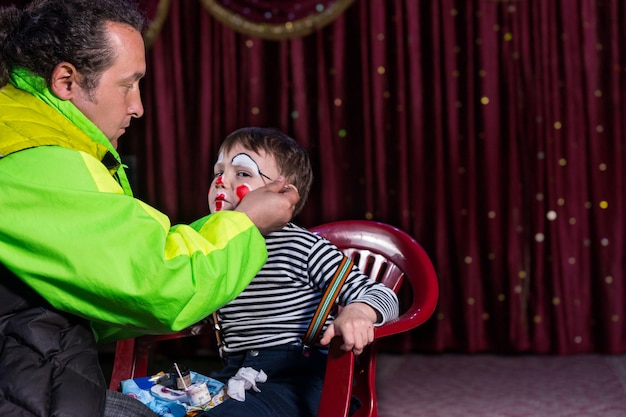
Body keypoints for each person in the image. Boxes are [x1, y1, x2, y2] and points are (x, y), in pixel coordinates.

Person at [0, 1, 299, 416]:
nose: (137, 106)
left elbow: (92, 284)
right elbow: (160, 279)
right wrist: (246, 222)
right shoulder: (35, 156)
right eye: (128, 84)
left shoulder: (22, 127)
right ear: (67, 81)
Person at [198, 127, 399, 417]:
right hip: (236, 373)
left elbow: (382, 294)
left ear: (284, 194)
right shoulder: (215, 248)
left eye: (242, 173)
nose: (221, 182)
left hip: (296, 379)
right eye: (218, 172)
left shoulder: (300, 245)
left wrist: (359, 312)